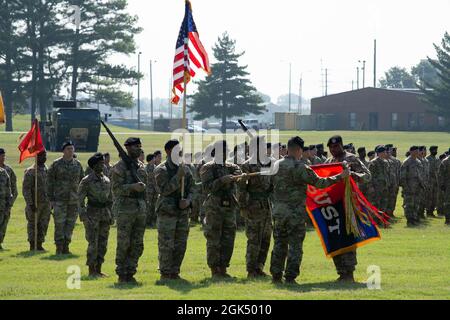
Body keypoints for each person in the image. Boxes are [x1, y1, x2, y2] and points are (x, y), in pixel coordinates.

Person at [270, 136, 350, 284]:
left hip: (279, 212)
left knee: (279, 244)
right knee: (295, 245)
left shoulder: (275, 165)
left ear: (288, 148)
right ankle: (290, 277)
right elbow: (320, 183)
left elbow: (269, 187)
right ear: (299, 150)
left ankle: (275, 275)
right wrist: (341, 176)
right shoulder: (300, 167)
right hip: (295, 213)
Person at [326, 135, 371, 282]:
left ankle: (349, 272)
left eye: (336, 146)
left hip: (348, 205)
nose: (333, 150)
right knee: (334, 237)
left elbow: (368, 176)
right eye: (331, 148)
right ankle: (340, 271)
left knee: (348, 238)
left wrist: (353, 175)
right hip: (332, 206)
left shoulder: (352, 159)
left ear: (341, 145)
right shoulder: (329, 162)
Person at [200, 140, 246, 278]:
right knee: (214, 237)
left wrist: (238, 176)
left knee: (228, 238)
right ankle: (214, 269)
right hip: (214, 206)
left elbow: (239, 171)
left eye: (226, 151)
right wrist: (222, 180)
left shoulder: (231, 166)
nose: (225, 153)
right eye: (222, 151)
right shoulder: (208, 167)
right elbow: (206, 187)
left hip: (229, 206)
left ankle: (224, 267)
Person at [154, 140, 193, 280]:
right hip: (167, 211)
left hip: (182, 212)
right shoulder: (161, 169)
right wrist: (178, 177)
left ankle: (175, 271)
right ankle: (165, 272)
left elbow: (193, 188)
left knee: (181, 243)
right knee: (166, 243)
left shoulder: (185, 168)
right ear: (168, 152)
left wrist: (188, 200)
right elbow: (164, 190)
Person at [111, 137, 148, 284]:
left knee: (138, 243)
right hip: (125, 210)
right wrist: (132, 187)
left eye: (140, 146)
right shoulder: (119, 168)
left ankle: (131, 271)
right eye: (135, 146)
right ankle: (121, 273)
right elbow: (115, 189)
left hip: (140, 209)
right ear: (127, 148)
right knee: (124, 242)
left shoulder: (140, 166)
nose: (139, 149)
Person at [238, 136, 274, 279]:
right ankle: (251, 269)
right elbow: (241, 189)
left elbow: (271, 185)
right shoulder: (247, 165)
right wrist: (243, 206)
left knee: (266, 238)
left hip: (266, 205)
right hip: (253, 205)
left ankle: (260, 267)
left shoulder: (268, 163)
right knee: (254, 239)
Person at [78, 153, 113, 277]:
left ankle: (99, 269)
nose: (103, 165)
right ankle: (92, 270)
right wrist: (83, 217)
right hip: (92, 214)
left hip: (105, 215)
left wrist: (111, 215)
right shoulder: (87, 180)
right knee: (93, 243)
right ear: (93, 166)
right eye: (100, 164)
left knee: (103, 243)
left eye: (103, 163)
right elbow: (80, 200)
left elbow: (110, 199)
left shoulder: (107, 180)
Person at [47, 141, 84, 255]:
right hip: (59, 200)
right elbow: (49, 182)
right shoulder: (56, 164)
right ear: (63, 151)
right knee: (59, 224)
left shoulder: (77, 165)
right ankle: (59, 247)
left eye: (72, 149)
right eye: (68, 149)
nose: (70, 151)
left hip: (73, 200)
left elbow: (82, 182)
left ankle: (66, 246)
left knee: (70, 224)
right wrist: (51, 199)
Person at [22, 151, 51, 251]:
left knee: (44, 224)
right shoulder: (31, 171)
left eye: (45, 156)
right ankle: (32, 244)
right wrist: (30, 203)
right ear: (36, 157)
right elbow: (26, 189)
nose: (44, 158)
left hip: (46, 203)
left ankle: (39, 244)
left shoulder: (48, 171)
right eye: (41, 156)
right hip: (35, 203)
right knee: (33, 224)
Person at [400, 146, 424, 227]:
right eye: (416, 151)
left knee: (416, 204)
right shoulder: (406, 162)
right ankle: (409, 220)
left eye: (418, 151)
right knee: (409, 204)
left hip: (417, 187)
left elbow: (420, 175)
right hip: (409, 187)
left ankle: (414, 219)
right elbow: (402, 177)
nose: (418, 153)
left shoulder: (418, 161)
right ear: (411, 152)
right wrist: (406, 187)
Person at [0, 148, 18, 249]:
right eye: (1, 156)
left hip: (5, 204)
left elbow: (13, 188)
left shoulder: (8, 170)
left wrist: (10, 203)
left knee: (3, 224)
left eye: (4, 156)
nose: (3, 158)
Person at [367, 146, 390, 214]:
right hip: (376, 187)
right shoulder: (373, 162)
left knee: (384, 203)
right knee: (376, 204)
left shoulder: (385, 162)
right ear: (380, 153)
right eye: (384, 152)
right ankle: (375, 220)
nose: (386, 153)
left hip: (384, 186)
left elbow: (386, 174)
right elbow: (370, 176)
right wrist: (371, 186)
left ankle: (381, 220)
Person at [0, 163, 12, 251]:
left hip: (3, 205)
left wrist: (9, 203)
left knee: (2, 225)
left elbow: (8, 189)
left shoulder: (3, 172)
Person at [425, 146, 440, 218]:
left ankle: (432, 211)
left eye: (436, 150)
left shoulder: (437, 159)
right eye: (434, 150)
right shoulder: (427, 159)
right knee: (429, 196)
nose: (435, 151)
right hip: (429, 181)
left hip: (436, 181)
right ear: (431, 151)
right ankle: (428, 211)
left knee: (435, 197)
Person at [145, 153, 158, 227]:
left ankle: (153, 221)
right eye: (154, 158)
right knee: (149, 206)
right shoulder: (146, 168)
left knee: (154, 205)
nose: (155, 159)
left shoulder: (155, 167)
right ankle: (148, 221)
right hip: (149, 190)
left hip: (154, 190)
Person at [438, 152, 450, 225]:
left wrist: (442, 184)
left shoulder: (444, 161)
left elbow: (440, 174)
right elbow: (441, 174)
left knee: (447, 202)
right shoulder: (445, 162)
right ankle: (448, 219)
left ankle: (448, 219)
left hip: (447, 185)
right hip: (447, 185)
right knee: (448, 203)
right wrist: (442, 185)